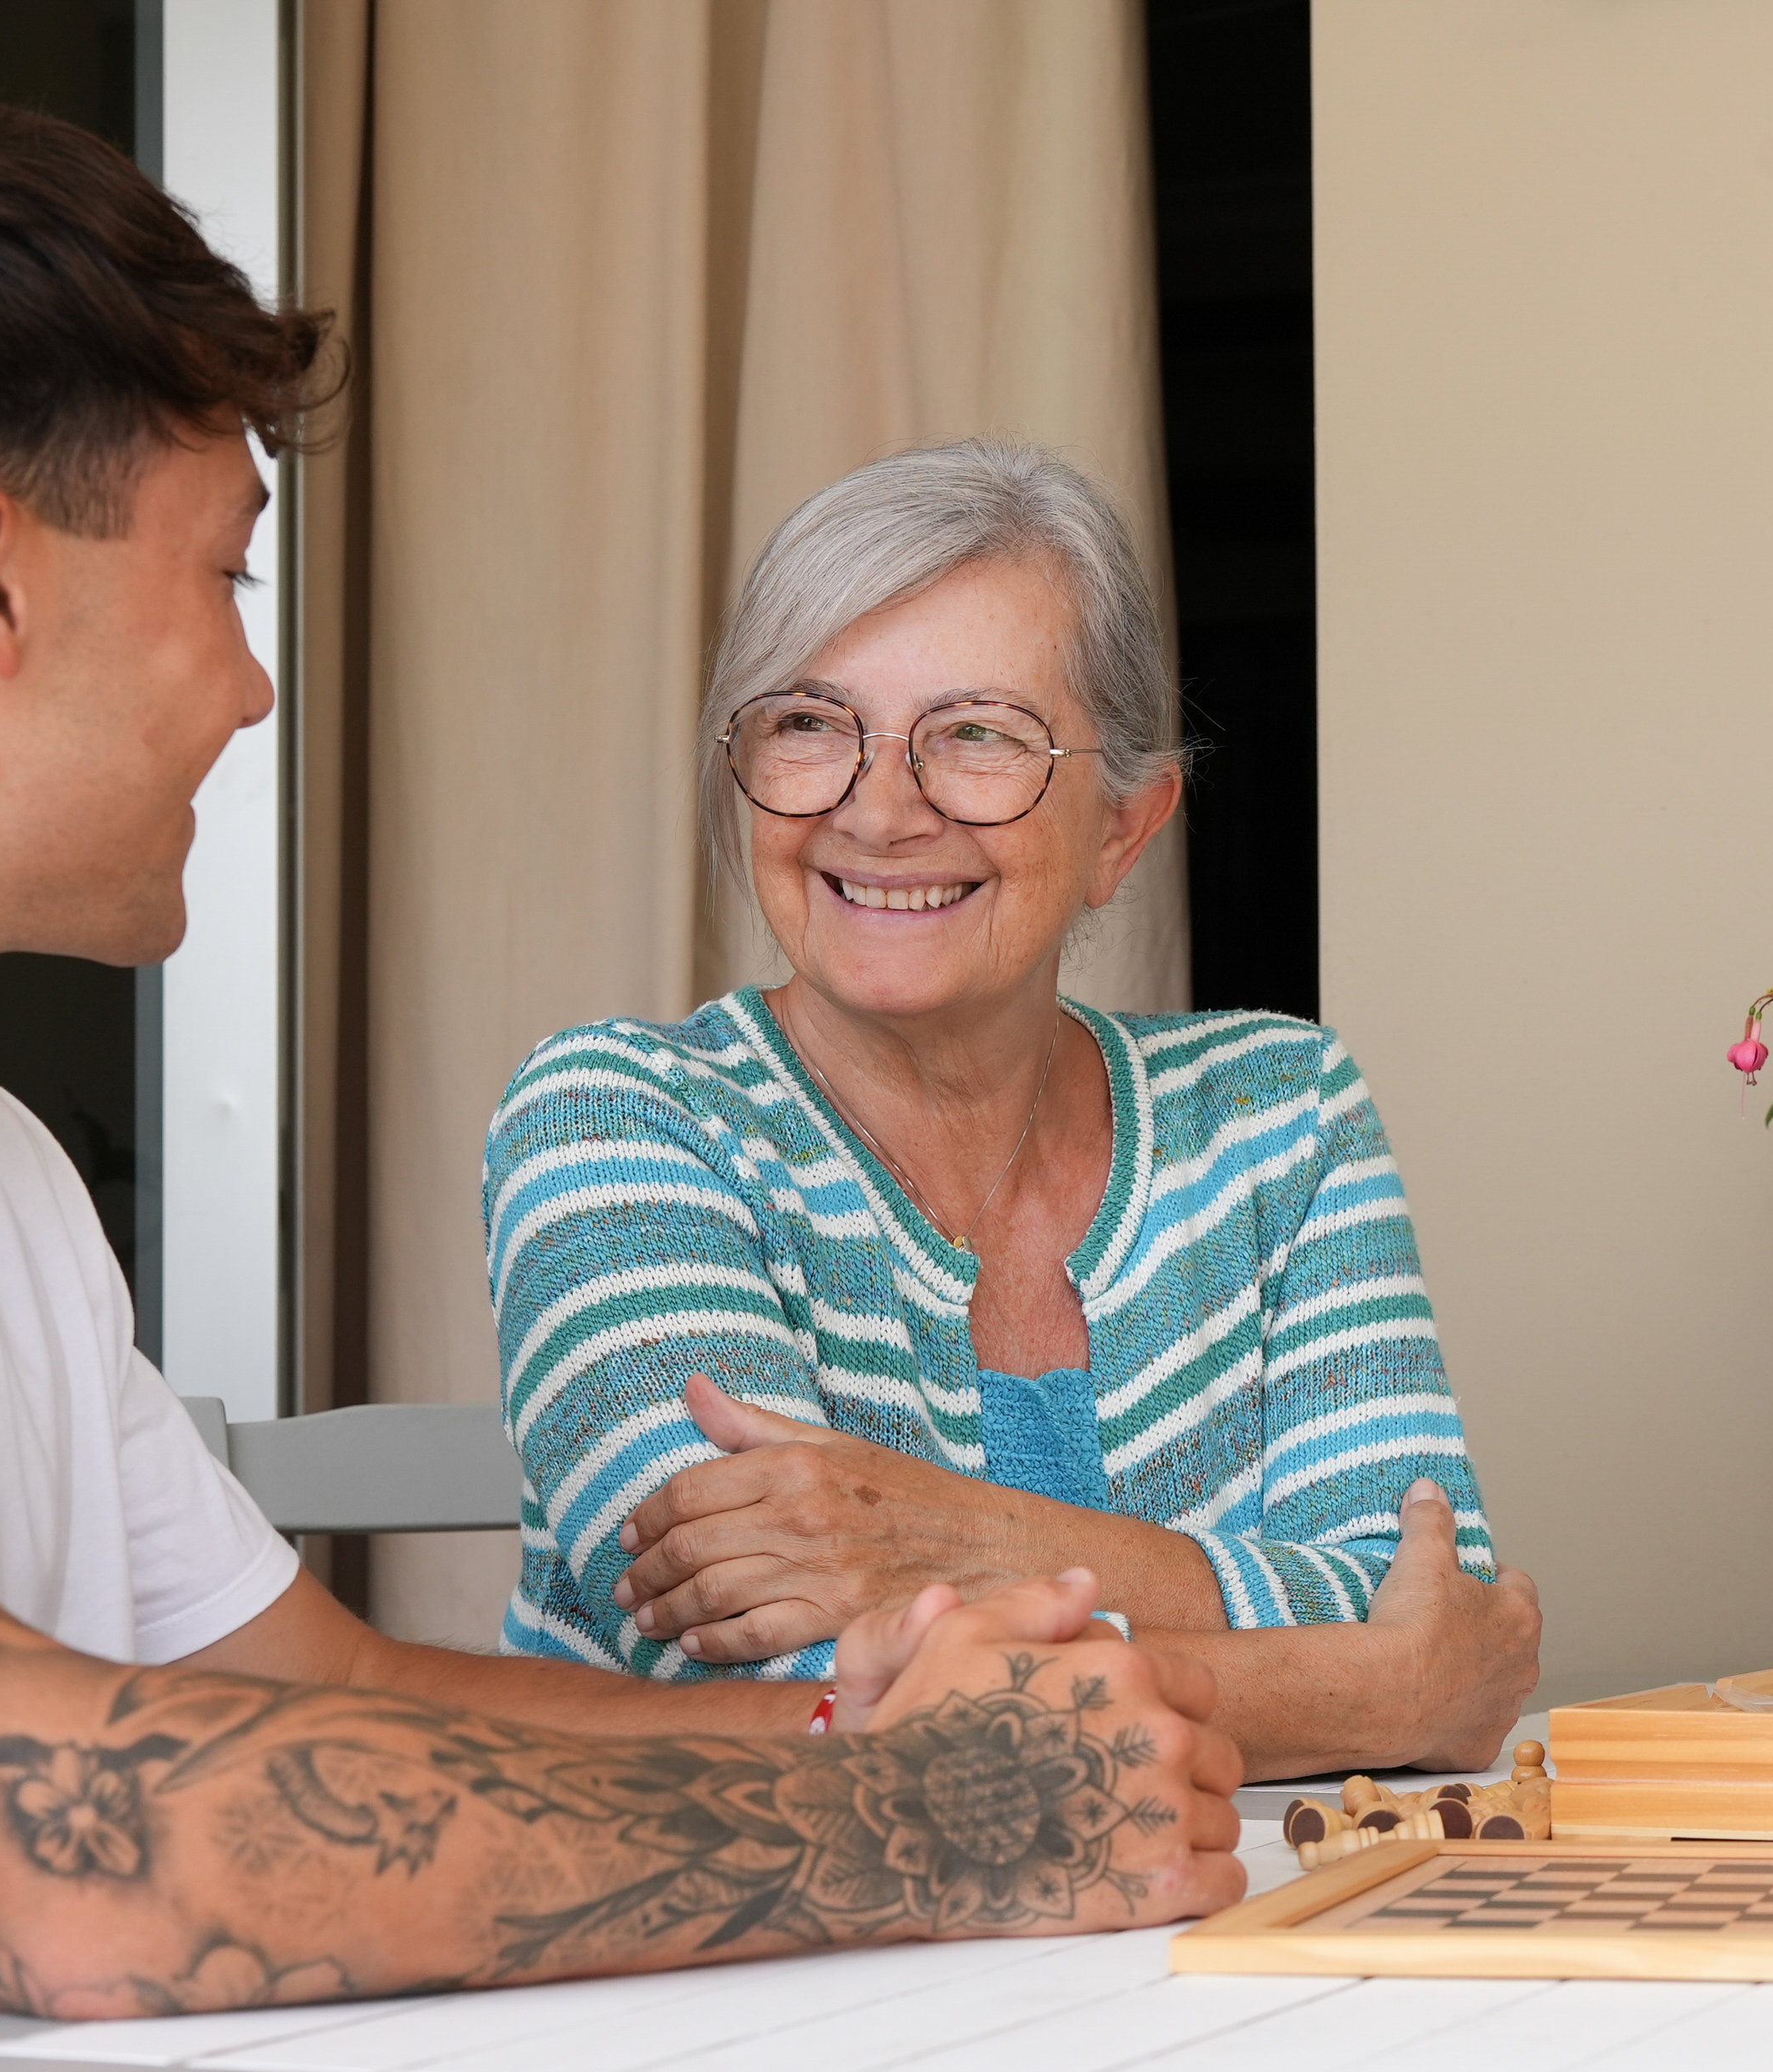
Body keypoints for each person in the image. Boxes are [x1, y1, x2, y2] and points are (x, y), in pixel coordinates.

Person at [0, 72, 1245, 2033]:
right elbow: (78, 1853)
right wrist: (922, 1816)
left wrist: (889, 1739)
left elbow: (322, 1710)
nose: (254, 687)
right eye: (223, 577)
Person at [482, 440, 1539, 1783]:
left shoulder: (1280, 1112)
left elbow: (1419, 1593)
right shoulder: (613, 1122)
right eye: (810, 724)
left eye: (976, 737)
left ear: (1122, 829)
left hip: (1213, 1934)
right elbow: (810, 1697)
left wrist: (948, 1534)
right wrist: (1374, 1700)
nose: (877, 810)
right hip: (735, 1961)